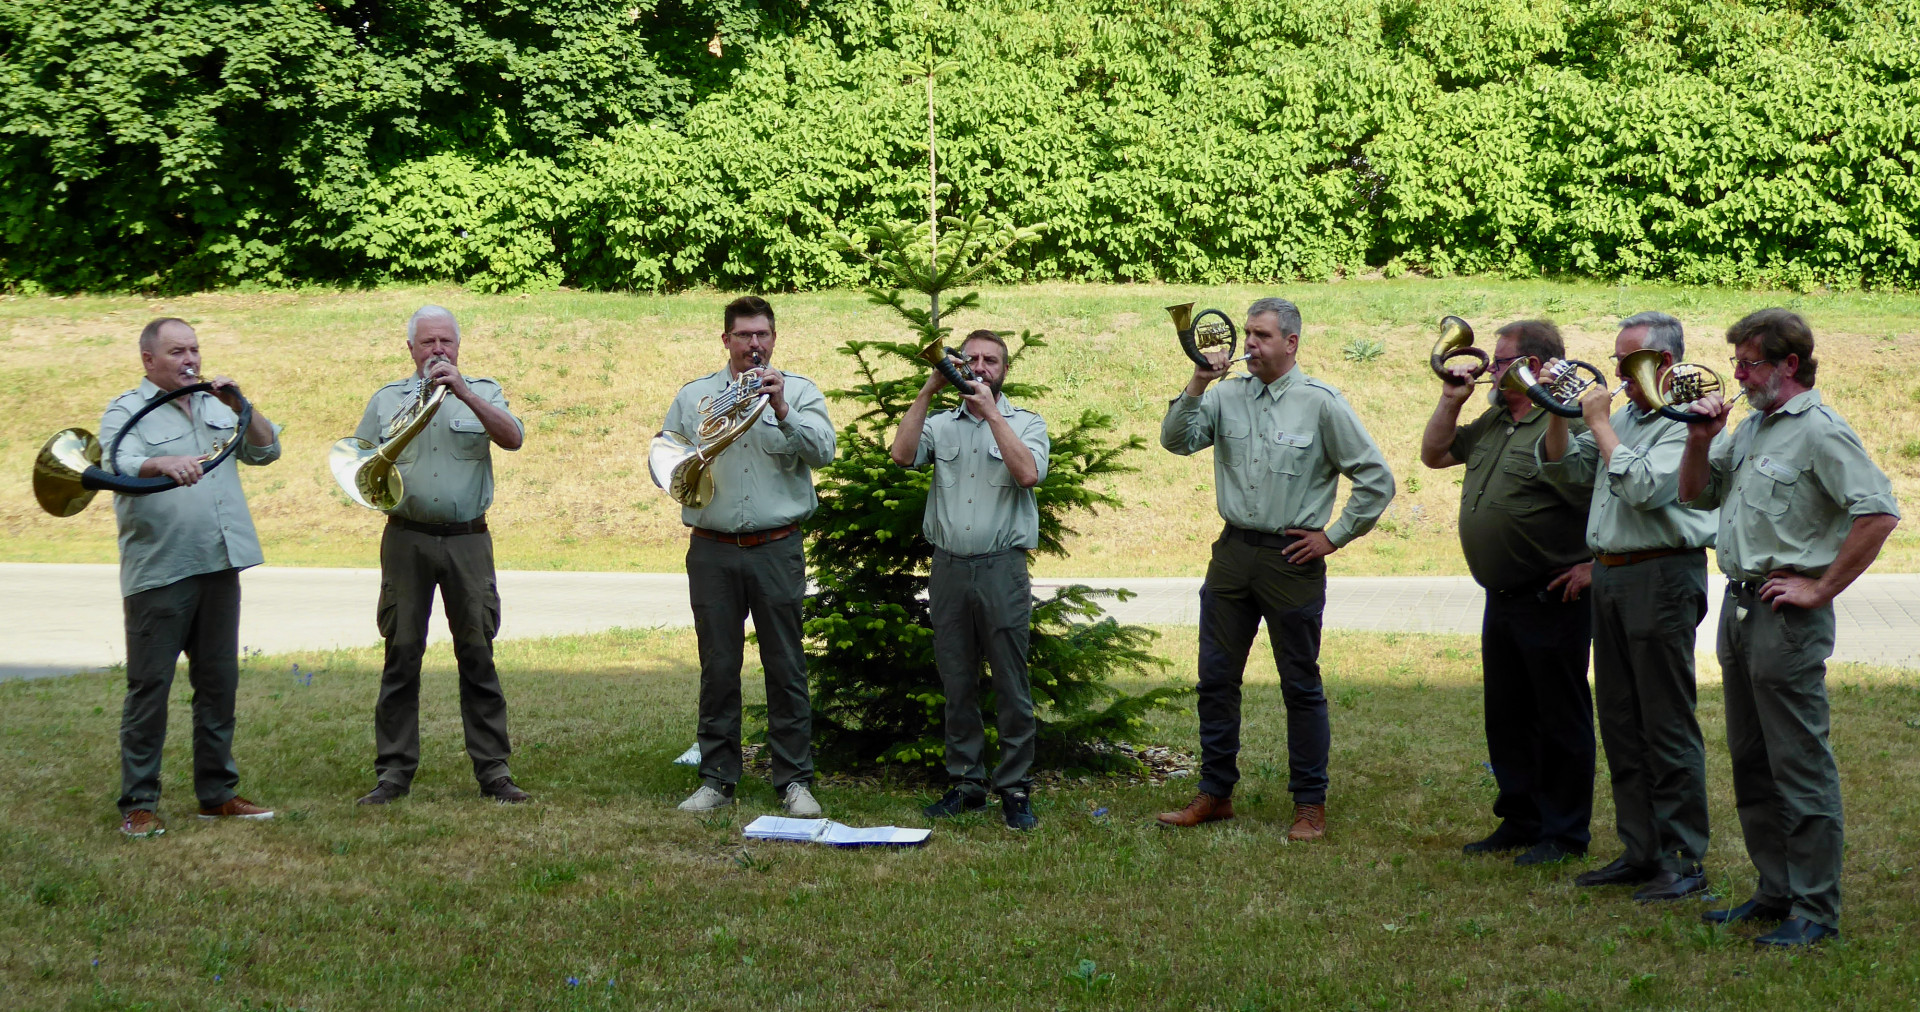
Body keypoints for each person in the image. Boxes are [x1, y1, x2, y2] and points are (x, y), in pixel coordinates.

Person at [1677, 308, 1899, 947]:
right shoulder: (1750, 427)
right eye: (1738, 363)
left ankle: (1815, 908)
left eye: (1750, 364)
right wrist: (1700, 439)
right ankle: (1774, 890)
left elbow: (1878, 513)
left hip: (1786, 619)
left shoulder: (1821, 431)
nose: (1738, 377)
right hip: (1740, 606)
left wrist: (1821, 587)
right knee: (1752, 759)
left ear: (1789, 364)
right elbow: (1693, 495)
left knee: (1798, 762)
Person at [1156, 298, 1395, 841]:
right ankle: (1215, 793)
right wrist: (1198, 382)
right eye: (1247, 333)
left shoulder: (1321, 403)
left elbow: (1376, 479)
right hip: (1232, 554)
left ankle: (1309, 803)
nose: (1249, 344)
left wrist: (1333, 537)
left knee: (1300, 684)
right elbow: (1175, 441)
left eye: (1261, 335)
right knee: (1216, 680)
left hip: (1291, 558)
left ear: (1291, 342)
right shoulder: (1225, 395)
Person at [1538, 312, 1715, 900]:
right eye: (1615, 360)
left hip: (1661, 575)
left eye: (1626, 361)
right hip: (1613, 575)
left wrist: (1596, 421)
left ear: (1663, 363)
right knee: (1619, 719)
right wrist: (1558, 411)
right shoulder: (1627, 419)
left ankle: (1682, 860)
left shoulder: (1685, 420)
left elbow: (1642, 488)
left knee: (1664, 722)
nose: (1615, 373)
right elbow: (1564, 468)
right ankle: (1640, 851)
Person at [1420, 319, 1596, 867]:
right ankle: (1521, 818)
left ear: (1534, 367)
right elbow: (1434, 454)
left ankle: (1564, 833)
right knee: (1508, 716)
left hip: (1553, 596)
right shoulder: (1496, 418)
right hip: (1502, 595)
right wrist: (1451, 400)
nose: (1489, 370)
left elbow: (1606, 493)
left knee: (1559, 718)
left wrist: (1595, 564)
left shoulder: (1569, 419)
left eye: (1499, 362)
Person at [103, 318, 283, 837]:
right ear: (148, 360)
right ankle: (139, 804)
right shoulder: (125, 410)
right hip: (162, 570)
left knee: (218, 685)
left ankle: (217, 794)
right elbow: (117, 463)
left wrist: (242, 405)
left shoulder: (215, 404)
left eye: (195, 350)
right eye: (177, 351)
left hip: (219, 564)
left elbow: (266, 450)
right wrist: (161, 463)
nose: (190, 360)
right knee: (150, 689)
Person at [662, 296, 836, 815]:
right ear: (726, 340)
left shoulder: (799, 391)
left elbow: (823, 452)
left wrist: (782, 409)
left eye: (762, 334)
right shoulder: (695, 396)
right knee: (718, 667)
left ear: (774, 339)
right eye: (743, 335)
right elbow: (671, 458)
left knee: (786, 665)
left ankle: (794, 781)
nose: (753, 344)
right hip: (712, 550)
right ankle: (716, 779)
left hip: (776, 547)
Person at [352, 306, 531, 806]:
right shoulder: (387, 400)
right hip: (405, 537)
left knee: (477, 653)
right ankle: (393, 773)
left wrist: (465, 393)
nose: (437, 350)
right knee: (401, 653)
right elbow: (362, 464)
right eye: (428, 342)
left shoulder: (484, 392)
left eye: (446, 341)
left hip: (467, 539)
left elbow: (513, 438)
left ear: (458, 346)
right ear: (410, 348)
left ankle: (493, 771)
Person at [889, 330, 1050, 830]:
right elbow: (901, 455)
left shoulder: (1027, 423)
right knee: (957, 679)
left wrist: (993, 415)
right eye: (971, 359)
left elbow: (1028, 474)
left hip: (1002, 567)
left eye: (990, 361)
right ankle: (966, 784)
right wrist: (928, 390)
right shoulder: (940, 423)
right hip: (949, 568)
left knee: (1010, 681)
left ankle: (1015, 787)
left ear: (1005, 370)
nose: (979, 367)